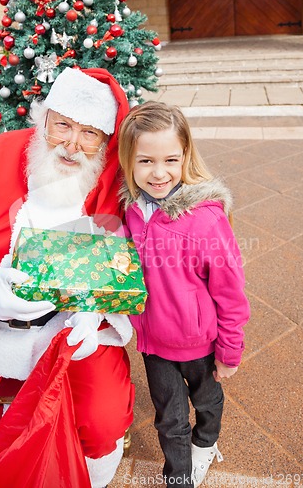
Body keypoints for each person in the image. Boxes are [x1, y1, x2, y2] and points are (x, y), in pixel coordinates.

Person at [0, 67, 135, 488]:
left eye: (90, 133)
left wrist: (94, 315)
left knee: (104, 422)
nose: (72, 145)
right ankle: (4, 446)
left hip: (69, 330)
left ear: (105, 140)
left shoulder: (114, 179)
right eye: (63, 126)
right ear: (44, 117)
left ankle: (66, 468)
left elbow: (130, 261)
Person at [118, 101, 250, 488]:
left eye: (170, 160)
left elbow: (230, 293)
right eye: (145, 161)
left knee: (207, 402)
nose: (159, 173)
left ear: (185, 156)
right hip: (154, 342)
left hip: (201, 343)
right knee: (169, 418)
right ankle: (178, 478)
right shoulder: (129, 210)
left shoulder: (206, 221)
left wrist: (230, 350)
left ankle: (206, 443)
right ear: (129, 160)